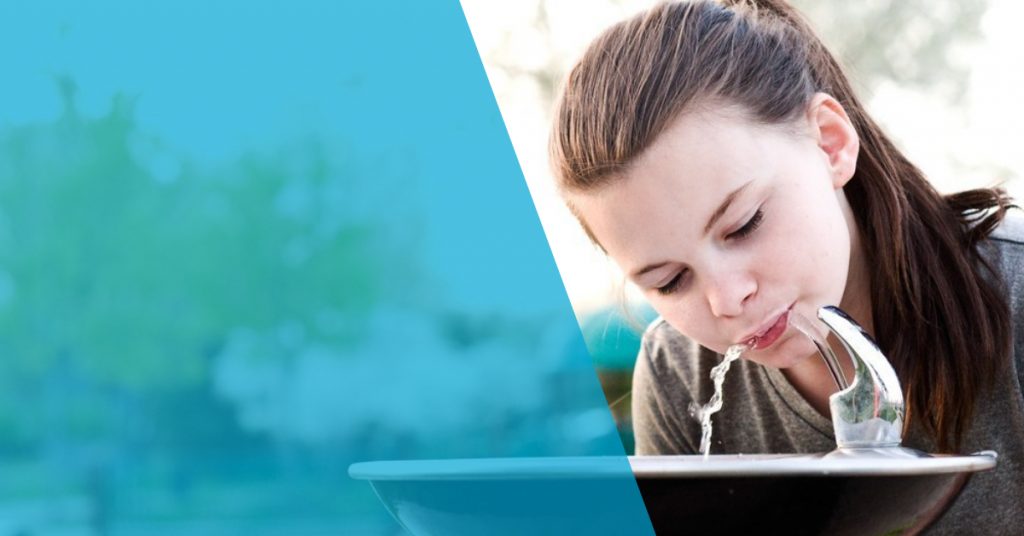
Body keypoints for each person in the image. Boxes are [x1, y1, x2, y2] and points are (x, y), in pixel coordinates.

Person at [548, 0, 1023, 533]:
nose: (727, 299)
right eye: (670, 280)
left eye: (744, 224)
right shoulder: (678, 373)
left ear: (830, 143)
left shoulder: (1016, 293)